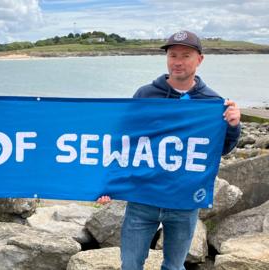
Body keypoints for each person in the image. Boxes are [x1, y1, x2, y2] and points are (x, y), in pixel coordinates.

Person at [97, 30, 241, 270]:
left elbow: (221, 150)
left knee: (174, 267)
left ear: (199, 59)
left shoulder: (212, 102)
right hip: (142, 199)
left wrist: (234, 125)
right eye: (173, 55)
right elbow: (125, 143)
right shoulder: (145, 94)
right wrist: (109, 184)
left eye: (186, 55)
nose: (178, 61)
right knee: (130, 265)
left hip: (184, 201)